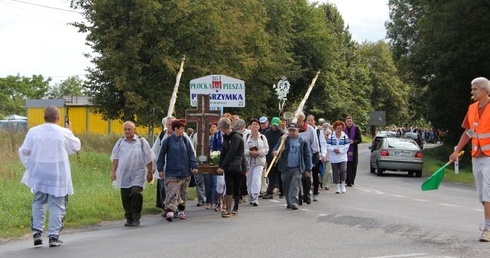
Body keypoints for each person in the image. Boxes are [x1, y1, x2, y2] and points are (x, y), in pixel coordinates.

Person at [19, 105, 81, 247]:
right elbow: (76, 146)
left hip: (40, 172)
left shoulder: (33, 132)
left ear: (44, 117)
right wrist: (70, 131)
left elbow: (24, 151)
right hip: (58, 172)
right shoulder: (63, 132)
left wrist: (31, 166)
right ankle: (53, 236)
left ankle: (37, 233)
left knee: (39, 200)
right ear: (58, 118)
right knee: (57, 203)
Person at [450, 77, 490, 242]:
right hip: (477, 156)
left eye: (475, 89)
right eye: (472, 88)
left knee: (488, 191)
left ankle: (487, 228)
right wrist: (457, 150)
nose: (472, 92)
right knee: (482, 195)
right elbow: (468, 132)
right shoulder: (472, 108)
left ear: (484, 91)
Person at [111, 121, 154, 227]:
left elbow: (149, 157)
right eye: (125, 129)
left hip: (138, 172)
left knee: (135, 193)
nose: (127, 131)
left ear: (134, 129)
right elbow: (115, 158)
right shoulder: (120, 142)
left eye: (129, 129)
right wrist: (113, 172)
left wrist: (150, 172)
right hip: (124, 173)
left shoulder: (141, 141)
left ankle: (136, 217)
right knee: (125, 196)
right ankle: (129, 217)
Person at [157, 119, 199, 222]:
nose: (183, 130)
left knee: (183, 193)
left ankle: (181, 211)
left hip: (185, 172)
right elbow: (161, 155)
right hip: (172, 171)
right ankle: (170, 211)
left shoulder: (185, 140)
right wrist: (160, 168)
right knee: (171, 191)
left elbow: (191, 154)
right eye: (181, 128)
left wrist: (194, 166)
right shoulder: (167, 141)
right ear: (175, 129)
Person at [273, 123, 312, 210]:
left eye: (293, 130)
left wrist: (308, 169)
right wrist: (275, 152)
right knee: (286, 187)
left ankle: (294, 202)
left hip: (297, 168)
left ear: (297, 130)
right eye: (290, 130)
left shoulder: (302, 141)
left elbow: (307, 155)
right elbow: (276, 148)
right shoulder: (284, 139)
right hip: (285, 167)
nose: (291, 132)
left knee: (295, 185)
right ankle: (289, 202)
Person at [216, 117, 247, 218]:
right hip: (229, 166)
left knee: (236, 186)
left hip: (239, 165)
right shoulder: (226, 137)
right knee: (229, 186)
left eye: (220, 127)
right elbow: (224, 152)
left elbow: (232, 152)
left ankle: (236, 207)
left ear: (223, 127)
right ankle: (228, 210)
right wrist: (221, 166)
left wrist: (223, 165)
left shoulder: (236, 137)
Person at [244, 118, 269, 206]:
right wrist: (249, 153)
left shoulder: (262, 137)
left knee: (256, 178)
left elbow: (266, 149)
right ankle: (250, 194)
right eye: (253, 124)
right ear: (250, 126)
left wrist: (258, 153)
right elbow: (242, 149)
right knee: (249, 179)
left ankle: (255, 196)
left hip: (259, 162)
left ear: (259, 127)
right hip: (249, 162)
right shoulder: (246, 137)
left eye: (257, 124)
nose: (255, 126)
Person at [297, 112, 320, 204]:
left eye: (299, 117)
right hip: (295, 156)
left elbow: (314, 143)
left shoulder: (309, 129)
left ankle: (306, 194)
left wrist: (315, 155)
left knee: (306, 176)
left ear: (303, 118)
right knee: (296, 177)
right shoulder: (292, 128)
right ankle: (298, 196)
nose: (298, 118)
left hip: (307, 156)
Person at [263, 117, 285, 199]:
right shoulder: (267, 133)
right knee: (271, 176)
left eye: (276, 125)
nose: (275, 127)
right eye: (273, 125)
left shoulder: (282, 134)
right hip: (270, 157)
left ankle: (282, 192)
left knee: (280, 176)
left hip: (279, 158)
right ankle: (270, 192)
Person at [327, 121, 350, 194]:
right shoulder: (331, 136)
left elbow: (347, 145)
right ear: (335, 128)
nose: (339, 129)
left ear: (342, 128)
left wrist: (340, 150)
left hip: (342, 157)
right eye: (337, 128)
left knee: (343, 170)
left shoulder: (344, 136)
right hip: (334, 157)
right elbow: (328, 145)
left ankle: (342, 184)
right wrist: (333, 149)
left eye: (340, 128)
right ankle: (337, 187)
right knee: (335, 172)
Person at [344, 116, 362, 186]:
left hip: (354, 149)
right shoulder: (343, 129)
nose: (349, 122)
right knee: (348, 166)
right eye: (348, 121)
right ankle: (348, 181)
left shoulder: (356, 129)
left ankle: (352, 180)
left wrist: (353, 142)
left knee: (353, 165)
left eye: (350, 121)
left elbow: (359, 139)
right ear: (345, 122)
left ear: (352, 121)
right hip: (345, 150)